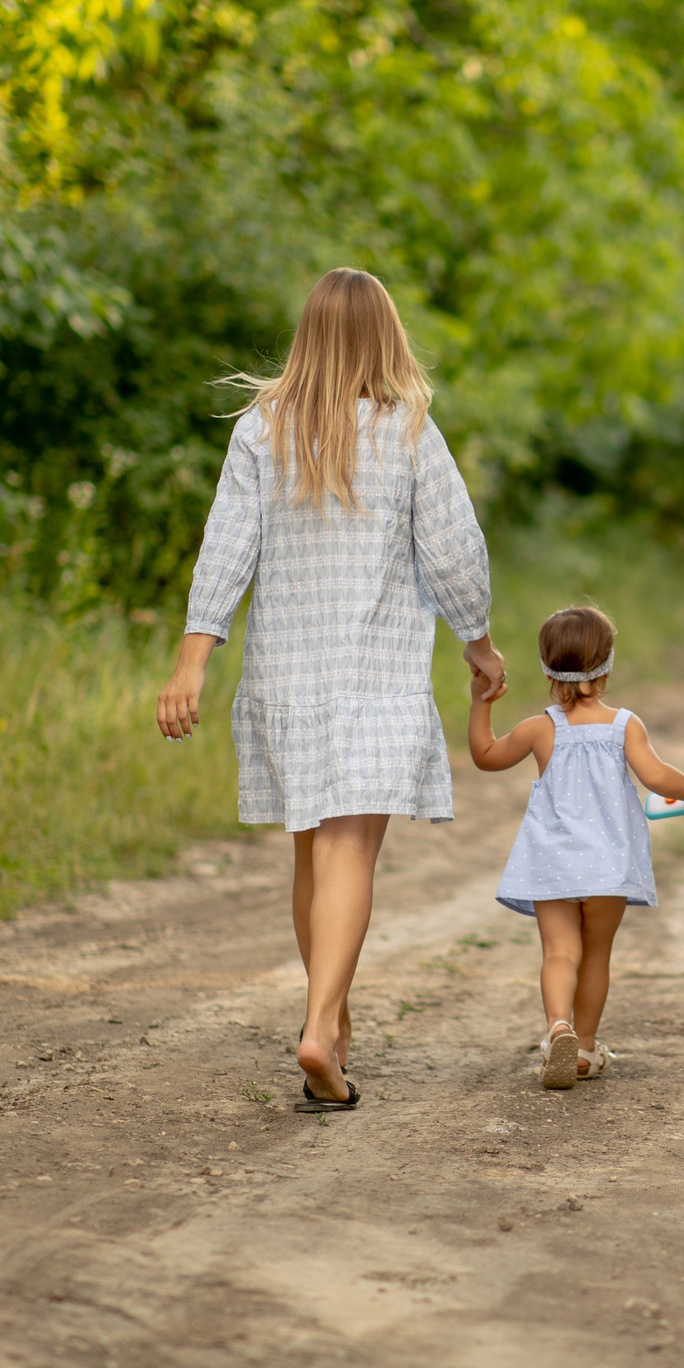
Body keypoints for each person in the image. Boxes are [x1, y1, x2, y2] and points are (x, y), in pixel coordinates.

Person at [155, 268, 503, 1113]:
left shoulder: (258, 431)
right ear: (386, 336)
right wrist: (479, 642)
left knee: (313, 849)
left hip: (287, 677)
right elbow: (453, 548)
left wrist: (192, 660)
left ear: (308, 334)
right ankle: (320, 1026)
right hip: (374, 679)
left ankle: (335, 1023)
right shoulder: (408, 429)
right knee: (351, 851)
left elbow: (225, 548)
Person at [468, 605, 684, 1089]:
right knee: (596, 955)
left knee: (560, 952)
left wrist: (481, 701)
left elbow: (486, 756)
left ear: (545, 667)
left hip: (554, 862)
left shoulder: (542, 728)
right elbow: (657, 777)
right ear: (607, 663)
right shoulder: (624, 725)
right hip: (608, 866)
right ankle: (582, 1049)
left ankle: (557, 1027)